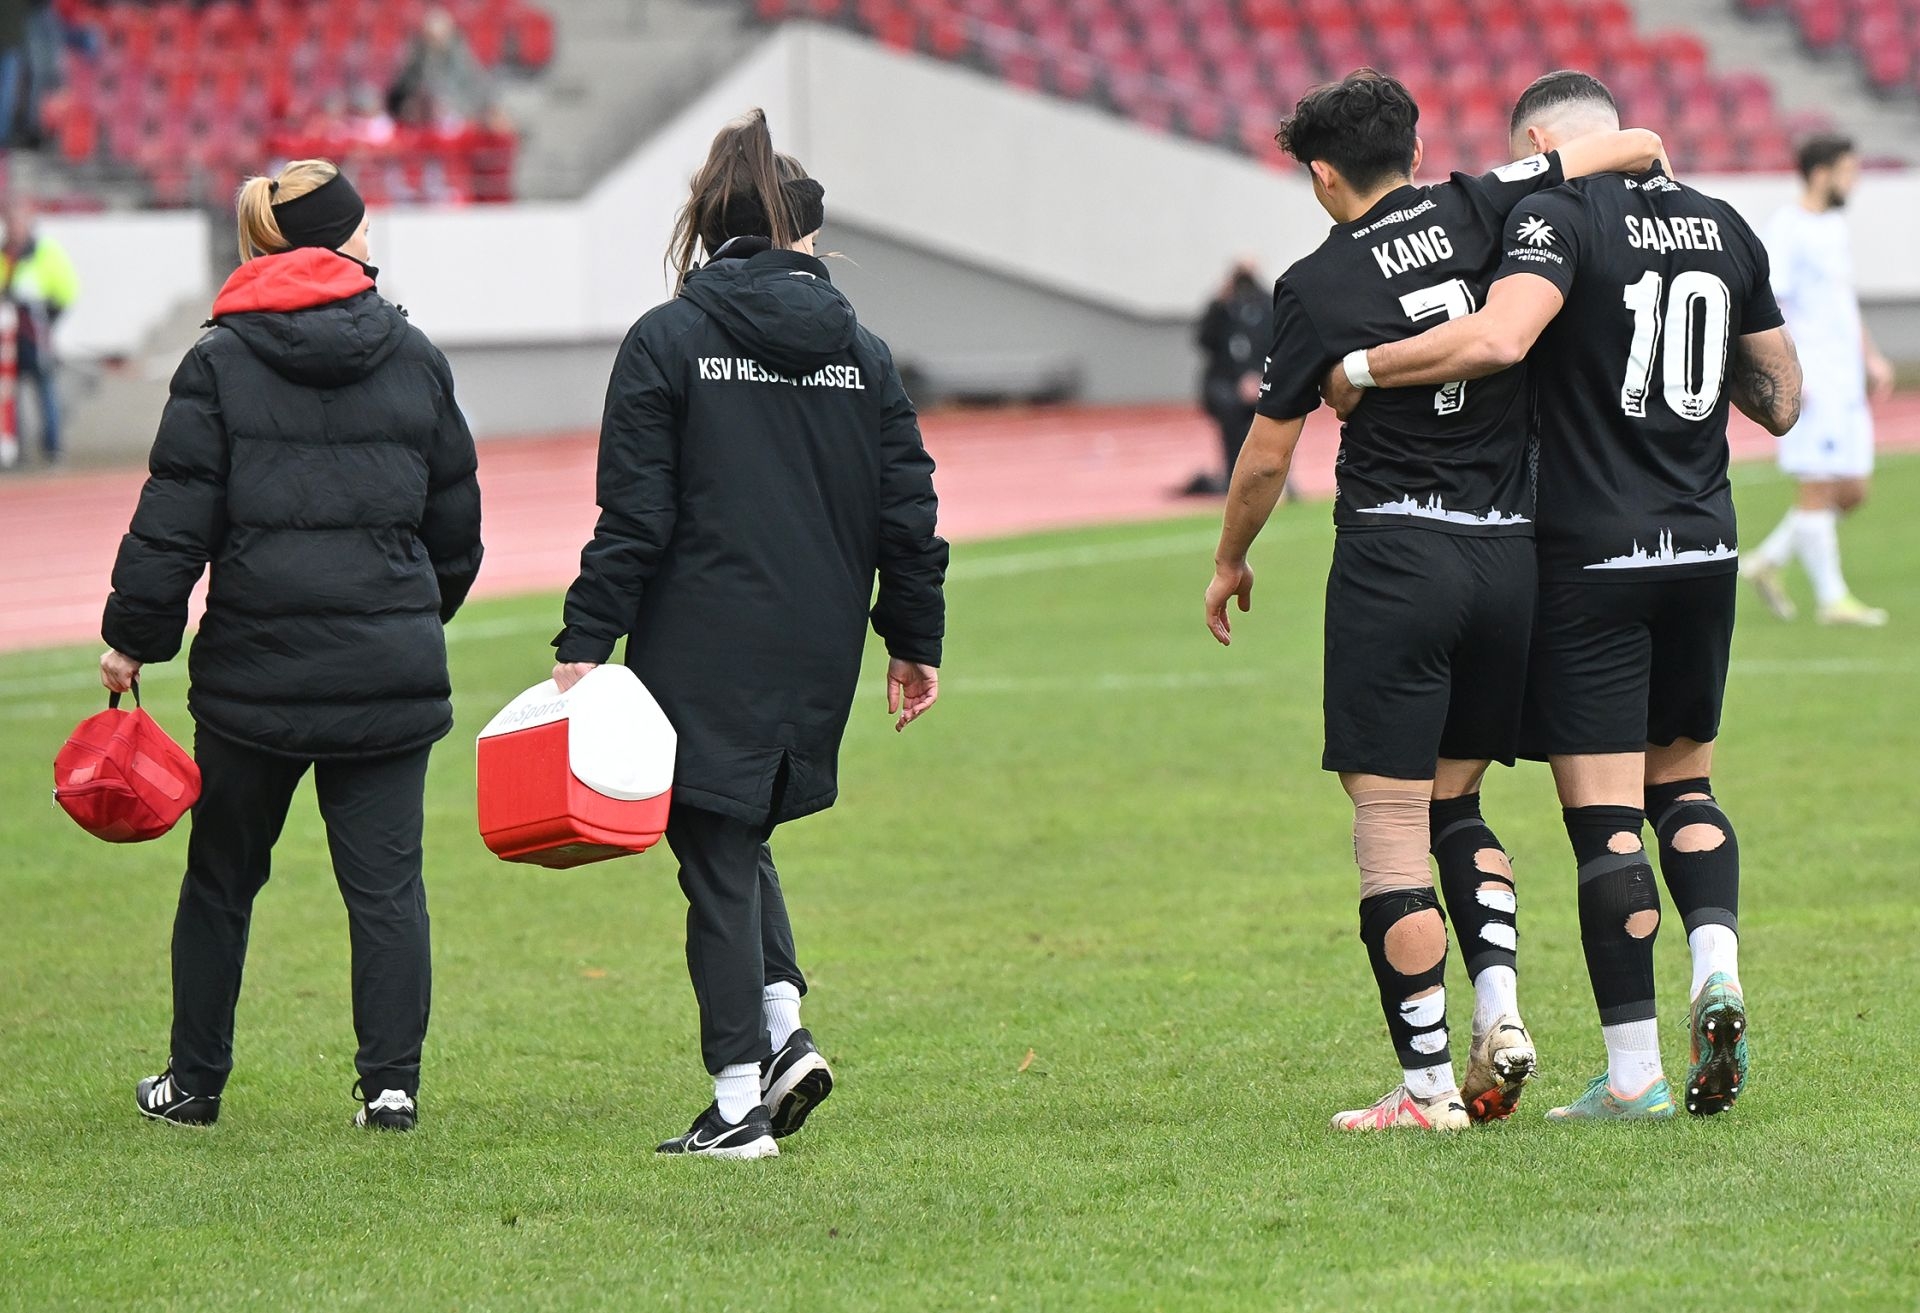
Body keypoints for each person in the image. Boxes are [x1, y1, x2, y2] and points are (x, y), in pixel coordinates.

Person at [1326, 70, 1802, 1122]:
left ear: (1543, 145)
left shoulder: (1554, 215)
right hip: (1705, 544)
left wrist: (1359, 369)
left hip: (1591, 552)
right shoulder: (1723, 223)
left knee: (1607, 822)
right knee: (1686, 784)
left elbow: (1500, 339)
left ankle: (1633, 1075)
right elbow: (1780, 400)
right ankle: (1716, 968)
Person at [1202, 68, 1666, 1132]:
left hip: (1396, 555)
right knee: (1458, 800)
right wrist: (1644, 151)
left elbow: (1267, 456)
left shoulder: (1313, 285)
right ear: (1412, 150)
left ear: (1323, 176)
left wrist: (1230, 558)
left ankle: (1424, 1088)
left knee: (1389, 821)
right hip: (1508, 561)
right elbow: (1620, 146)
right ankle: (1499, 1008)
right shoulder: (1478, 200)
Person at [551, 109, 947, 1160]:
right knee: (733, 835)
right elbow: (908, 511)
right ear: (800, 234)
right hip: (819, 640)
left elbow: (635, 514)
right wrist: (914, 638)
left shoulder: (668, 339)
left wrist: (585, 638)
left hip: (700, 637)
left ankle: (737, 1104)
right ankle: (782, 1032)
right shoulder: (861, 351)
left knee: (715, 853)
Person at [98, 159, 483, 1133]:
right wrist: (404, 617)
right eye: (363, 225)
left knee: (221, 883)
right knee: (387, 891)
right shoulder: (415, 354)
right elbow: (457, 530)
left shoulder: (220, 360)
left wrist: (134, 638)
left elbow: (175, 516)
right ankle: (390, 1089)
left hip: (253, 675)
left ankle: (194, 1085)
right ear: (341, 238)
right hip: (385, 673)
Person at [1742, 133, 1891, 627]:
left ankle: (1769, 559)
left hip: (1845, 379)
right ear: (1823, 173)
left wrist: (1870, 357)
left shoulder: (1832, 226)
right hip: (1814, 381)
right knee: (1818, 485)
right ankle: (1833, 600)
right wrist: (1788, 373)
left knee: (1852, 490)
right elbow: (1771, 306)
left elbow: (1841, 300)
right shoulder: (1788, 229)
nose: (1854, 181)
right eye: (1848, 172)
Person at [1, 198, 79, 467]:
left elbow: (67, 289)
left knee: (45, 392)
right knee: (9, 396)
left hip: (35, 337)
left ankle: (53, 449)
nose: (14, 228)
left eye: (19, 222)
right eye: (10, 222)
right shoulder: (4, 256)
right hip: (7, 341)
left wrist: (47, 319)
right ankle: (14, 450)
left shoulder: (45, 253)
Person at [1189, 262, 1272, 495]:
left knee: (1280, 407)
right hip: (1225, 382)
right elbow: (1204, 340)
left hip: (1262, 378)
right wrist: (1219, 302)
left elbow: (1277, 346)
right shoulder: (1223, 309)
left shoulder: (1267, 306)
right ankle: (1234, 475)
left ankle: (1277, 476)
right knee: (1230, 408)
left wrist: (1259, 376)